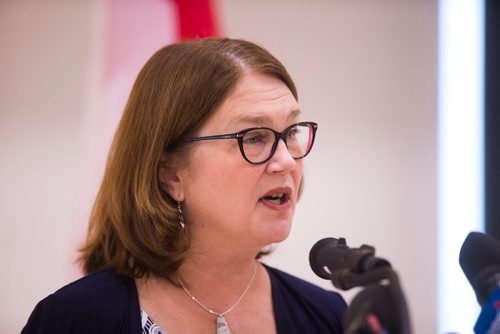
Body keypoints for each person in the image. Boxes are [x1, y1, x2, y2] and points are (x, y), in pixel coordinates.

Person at [22, 37, 346, 334]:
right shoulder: (76, 319)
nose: (287, 161)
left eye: (291, 133)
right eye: (254, 137)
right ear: (171, 174)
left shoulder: (329, 316)